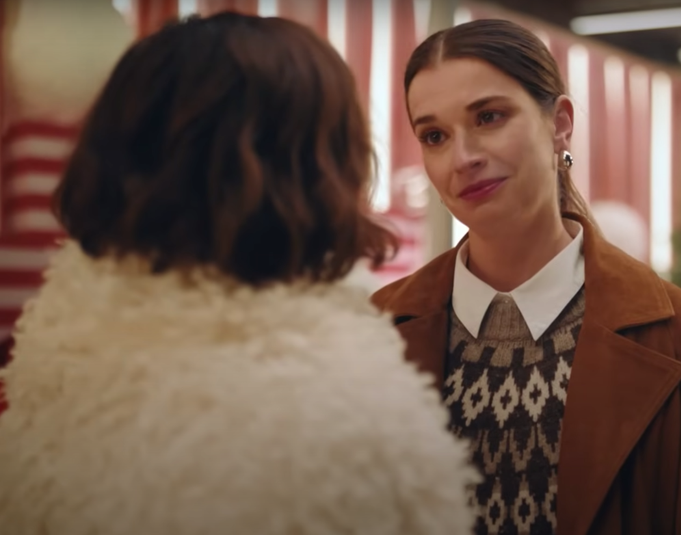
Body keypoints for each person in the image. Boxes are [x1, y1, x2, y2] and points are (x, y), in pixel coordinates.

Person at [0, 13, 476, 535]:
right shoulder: (351, 411)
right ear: (325, 165)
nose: (464, 156)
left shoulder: (56, 347)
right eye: (433, 134)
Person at [371, 19, 681, 535]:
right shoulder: (379, 330)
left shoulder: (676, 336)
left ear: (559, 123)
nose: (463, 157)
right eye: (435, 135)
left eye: (489, 117)